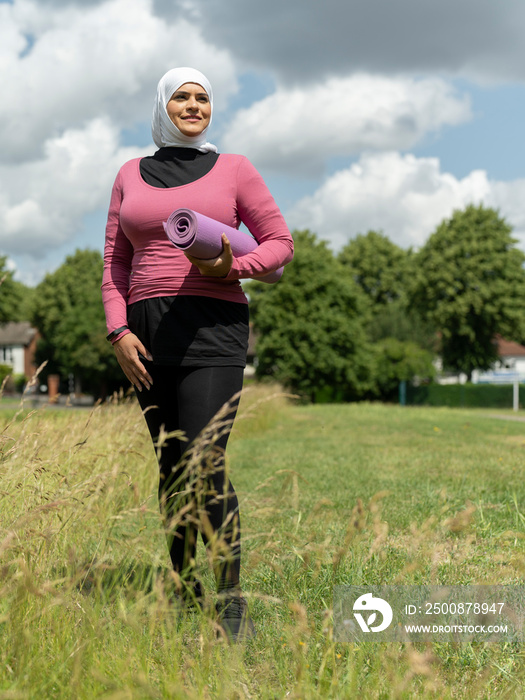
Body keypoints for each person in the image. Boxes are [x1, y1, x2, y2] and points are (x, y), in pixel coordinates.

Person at [101, 67, 294, 642]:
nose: (193, 105)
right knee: (171, 467)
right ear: (164, 105)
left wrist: (230, 265)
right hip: (146, 331)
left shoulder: (235, 168)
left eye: (202, 96)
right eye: (181, 96)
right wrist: (118, 332)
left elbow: (280, 244)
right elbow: (114, 263)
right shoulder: (129, 173)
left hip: (214, 325)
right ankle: (186, 592)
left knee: (205, 462)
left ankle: (232, 604)